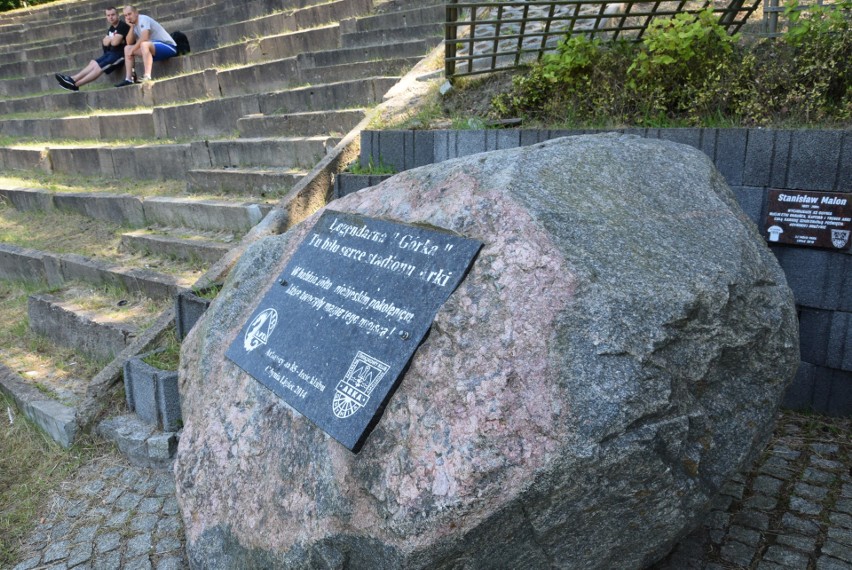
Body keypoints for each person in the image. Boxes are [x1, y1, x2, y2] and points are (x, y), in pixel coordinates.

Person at [54, 7, 129, 92]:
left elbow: (114, 43)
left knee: (98, 68)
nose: (111, 17)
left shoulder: (122, 26)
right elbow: (105, 42)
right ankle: (72, 78)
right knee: (93, 63)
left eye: (113, 15)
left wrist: (111, 40)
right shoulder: (111, 28)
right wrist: (113, 39)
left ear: (118, 15)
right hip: (111, 53)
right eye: (108, 15)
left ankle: (75, 85)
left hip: (120, 55)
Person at [115, 5, 177, 87]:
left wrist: (133, 49)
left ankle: (147, 76)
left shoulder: (143, 19)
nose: (128, 17)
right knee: (127, 48)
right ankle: (129, 79)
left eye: (129, 14)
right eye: (125, 15)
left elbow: (145, 37)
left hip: (169, 47)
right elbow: (129, 42)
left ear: (136, 13)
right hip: (154, 50)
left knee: (144, 44)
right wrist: (131, 27)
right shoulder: (134, 25)